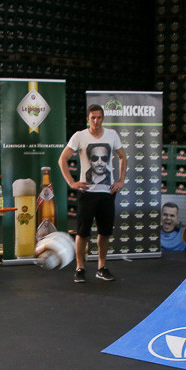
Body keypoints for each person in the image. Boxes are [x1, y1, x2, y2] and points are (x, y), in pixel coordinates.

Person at [58, 104, 127, 282]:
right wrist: (71, 182)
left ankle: (101, 267)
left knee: (104, 233)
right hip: (87, 192)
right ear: (87, 119)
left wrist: (120, 181)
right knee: (83, 233)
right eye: (92, 118)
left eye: (99, 117)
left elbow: (123, 157)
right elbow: (62, 159)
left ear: (103, 118)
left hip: (107, 193)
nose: (96, 121)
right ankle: (80, 268)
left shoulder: (112, 135)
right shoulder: (79, 136)